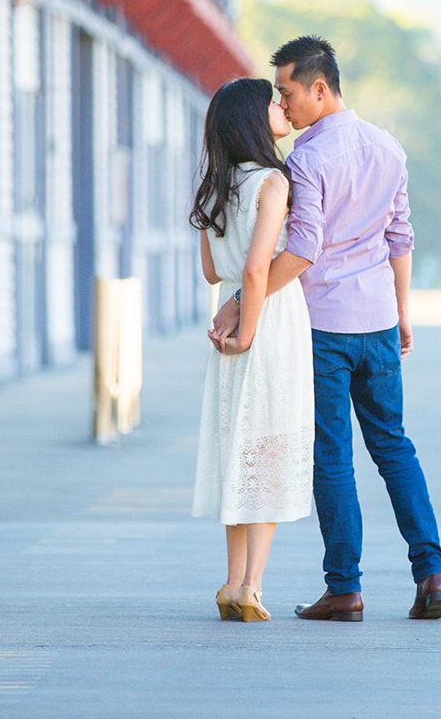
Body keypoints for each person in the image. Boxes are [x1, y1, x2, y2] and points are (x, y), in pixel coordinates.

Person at [212, 35, 441, 622]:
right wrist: (402, 313)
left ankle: (345, 587)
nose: (284, 106)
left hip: (323, 329)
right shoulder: (388, 147)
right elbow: (401, 238)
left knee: (333, 457)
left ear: (321, 88)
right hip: (378, 324)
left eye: (289, 93)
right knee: (394, 446)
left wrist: (244, 298)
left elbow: (304, 249)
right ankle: (432, 573)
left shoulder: (306, 160)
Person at [190, 77, 314, 623]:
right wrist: (248, 328)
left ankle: (229, 580)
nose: (281, 106)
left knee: (237, 444)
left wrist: (233, 322)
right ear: (252, 117)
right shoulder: (273, 182)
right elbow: (258, 267)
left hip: (232, 323)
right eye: (272, 100)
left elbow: (213, 269)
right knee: (268, 448)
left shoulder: (216, 184)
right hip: (272, 320)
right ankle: (251, 586)